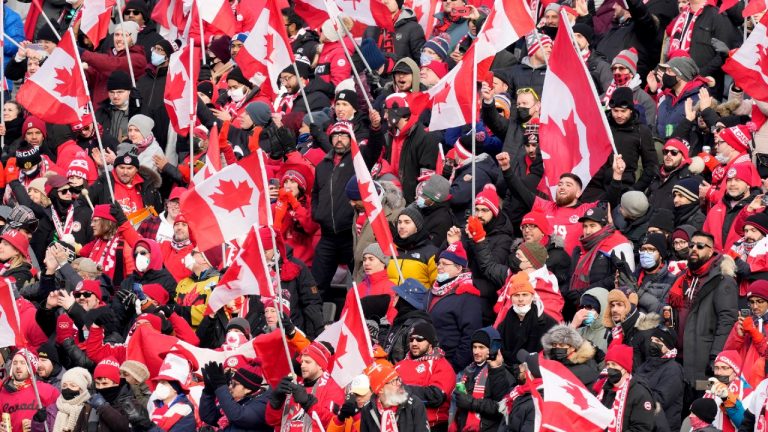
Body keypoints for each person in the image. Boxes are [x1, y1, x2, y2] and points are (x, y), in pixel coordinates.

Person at [668, 231, 738, 402]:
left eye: (700, 246)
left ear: (711, 250)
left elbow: (727, 320)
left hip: (703, 360)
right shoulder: (683, 278)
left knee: (701, 402)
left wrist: (715, 356)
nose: (694, 249)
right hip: (680, 357)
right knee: (681, 408)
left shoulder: (722, 280)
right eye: (691, 245)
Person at [425, 241, 484, 371]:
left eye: (445, 264)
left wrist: (453, 366)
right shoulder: (434, 291)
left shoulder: (468, 295)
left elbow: (470, 337)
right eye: (439, 263)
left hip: (449, 365)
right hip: (428, 362)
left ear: (459, 268)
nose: (439, 267)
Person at [566, 206, 635, 309]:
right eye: (585, 226)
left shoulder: (617, 243)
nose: (588, 231)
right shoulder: (580, 248)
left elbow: (620, 277)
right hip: (579, 306)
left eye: (592, 225)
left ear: (604, 226)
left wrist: (584, 292)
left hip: (605, 306)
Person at [266, 342, 345, 428]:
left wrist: (309, 403)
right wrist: (275, 402)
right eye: (302, 361)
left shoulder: (333, 388)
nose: (302, 365)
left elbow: (335, 424)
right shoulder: (294, 386)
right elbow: (272, 422)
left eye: (307, 362)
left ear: (320, 365)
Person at [394, 321, 455, 429]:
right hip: (401, 424)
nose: (414, 343)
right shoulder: (399, 365)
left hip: (431, 425)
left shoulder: (441, 364)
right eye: (411, 339)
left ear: (430, 343)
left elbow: (436, 397)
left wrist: (403, 390)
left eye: (419, 339)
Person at [453, 327, 513, 432]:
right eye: (474, 347)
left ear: (492, 349)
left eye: (481, 347)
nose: (476, 351)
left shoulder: (501, 372)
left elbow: (502, 407)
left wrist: (471, 403)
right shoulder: (468, 370)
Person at [497, 272, 558, 370]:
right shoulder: (503, 325)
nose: (521, 299)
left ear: (532, 297)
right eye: (516, 295)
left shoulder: (549, 324)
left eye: (525, 295)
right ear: (511, 298)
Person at [635, 326, 685, 431]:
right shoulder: (646, 364)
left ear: (668, 346)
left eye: (657, 341)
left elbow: (661, 399)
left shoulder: (674, 369)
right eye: (652, 340)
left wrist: (636, 398)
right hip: (645, 422)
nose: (652, 343)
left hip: (664, 426)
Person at [596, 344, 655, 431]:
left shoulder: (640, 393)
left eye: (614, 364)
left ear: (625, 367)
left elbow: (641, 428)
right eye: (608, 364)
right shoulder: (603, 388)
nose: (610, 368)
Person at [199, 361, 272, 431]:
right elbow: (209, 418)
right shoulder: (239, 399)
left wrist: (220, 385)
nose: (229, 387)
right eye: (230, 382)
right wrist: (209, 391)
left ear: (247, 389)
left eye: (234, 384)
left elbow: (238, 416)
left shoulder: (263, 403)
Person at [360, 360, 429, 431]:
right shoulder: (367, 409)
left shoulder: (415, 405)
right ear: (380, 389)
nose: (399, 383)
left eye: (398, 379)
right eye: (393, 381)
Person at [0, 349, 59, 432]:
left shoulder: (48, 390)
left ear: (31, 367)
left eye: (23, 363)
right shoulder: (2, 393)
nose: (18, 366)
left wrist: (37, 424)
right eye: (15, 363)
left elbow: (59, 420)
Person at [724, 280, 768, 388]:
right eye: (751, 302)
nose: (755, 306)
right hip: (741, 382)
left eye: (760, 301)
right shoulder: (743, 323)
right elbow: (728, 355)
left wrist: (754, 332)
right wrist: (739, 336)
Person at [602, 289, 661, 368]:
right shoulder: (614, 334)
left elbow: (652, 369)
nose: (614, 310)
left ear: (631, 307)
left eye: (619, 305)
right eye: (612, 305)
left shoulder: (646, 333)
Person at [387, 207, 438, 288]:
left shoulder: (430, 252)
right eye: (399, 222)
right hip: (392, 299)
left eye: (407, 222)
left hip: (417, 300)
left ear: (417, 226)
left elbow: (436, 286)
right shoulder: (391, 250)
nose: (401, 226)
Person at [705, 350, 751, 432]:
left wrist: (727, 399)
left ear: (735, 371)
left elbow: (745, 425)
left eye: (724, 368)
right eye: (716, 368)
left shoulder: (747, 392)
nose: (719, 373)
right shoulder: (711, 385)